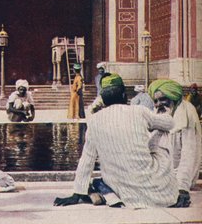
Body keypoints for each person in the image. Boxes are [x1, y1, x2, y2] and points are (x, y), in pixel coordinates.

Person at [54, 74, 181, 209]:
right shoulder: (140, 111)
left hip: (122, 190)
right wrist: (165, 111)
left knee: (97, 182)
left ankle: (108, 196)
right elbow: (170, 124)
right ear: (124, 95)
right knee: (161, 130)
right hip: (158, 190)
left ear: (103, 100)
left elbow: (87, 160)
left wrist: (77, 193)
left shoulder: (94, 121)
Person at [149, 79, 202, 207]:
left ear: (173, 98)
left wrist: (182, 187)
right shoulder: (158, 115)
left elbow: (189, 155)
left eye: (163, 99)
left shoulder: (187, 112)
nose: (158, 104)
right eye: (155, 101)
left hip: (178, 181)